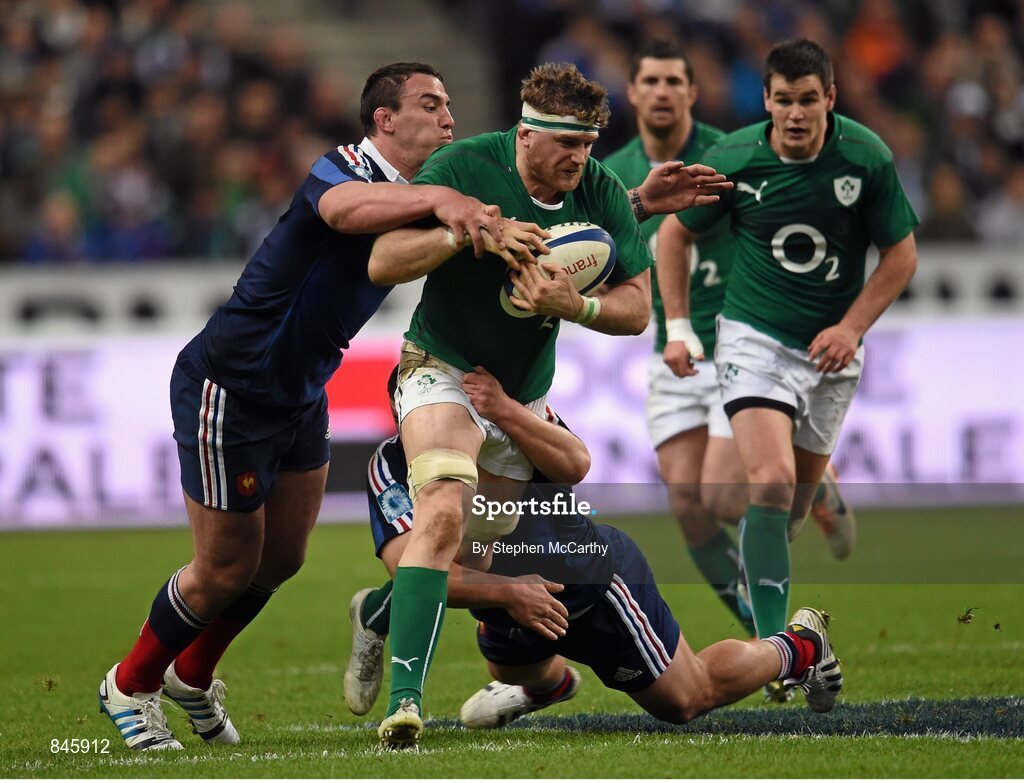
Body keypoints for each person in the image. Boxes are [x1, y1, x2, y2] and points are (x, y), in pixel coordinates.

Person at [97, 62, 542, 752]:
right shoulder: (341, 168)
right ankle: (130, 682)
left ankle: (193, 673)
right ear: (385, 120)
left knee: (280, 561)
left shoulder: (429, 194)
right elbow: (342, 213)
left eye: (451, 104)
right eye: (431, 103)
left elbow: (508, 215)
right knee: (223, 568)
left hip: (302, 392)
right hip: (231, 386)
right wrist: (446, 204)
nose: (449, 117)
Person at [366, 62, 732, 748]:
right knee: (443, 507)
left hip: (520, 395)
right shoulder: (463, 166)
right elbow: (383, 261)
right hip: (439, 365)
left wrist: (578, 304)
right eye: (568, 144)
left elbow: (634, 308)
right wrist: (464, 233)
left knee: (473, 546)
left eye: (590, 144)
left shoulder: (600, 191)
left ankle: (386, 607)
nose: (581, 158)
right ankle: (406, 703)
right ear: (527, 134)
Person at [343, 365, 843, 732]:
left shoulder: (503, 415)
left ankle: (800, 646)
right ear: (401, 418)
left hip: (590, 586)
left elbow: (577, 462)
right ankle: (549, 686)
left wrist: (508, 412)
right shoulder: (390, 468)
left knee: (687, 700)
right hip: (507, 603)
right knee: (509, 664)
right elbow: (408, 568)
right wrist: (510, 594)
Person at [656, 40, 917, 668]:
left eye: (807, 100)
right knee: (764, 484)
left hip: (831, 351)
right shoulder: (736, 157)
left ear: (830, 97)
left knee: (788, 513)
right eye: (782, 101)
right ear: (766, 100)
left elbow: (901, 256)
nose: (795, 114)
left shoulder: (866, 157)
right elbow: (672, 235)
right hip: (753, 337)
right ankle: (777, 651)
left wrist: (852, 328)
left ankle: (820, 494)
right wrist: (680, 328)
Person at [603, 42, 857, 671]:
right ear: (632, 94)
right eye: (650, 80)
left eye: (674, 81)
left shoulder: (733, 154)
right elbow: (605, 261)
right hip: (673, 348)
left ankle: (813, 482)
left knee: (721, 497)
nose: (662, 92)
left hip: (738, 344)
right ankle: (765, 634)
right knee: (687, 506)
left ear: (693, 92)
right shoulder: (607, 176)